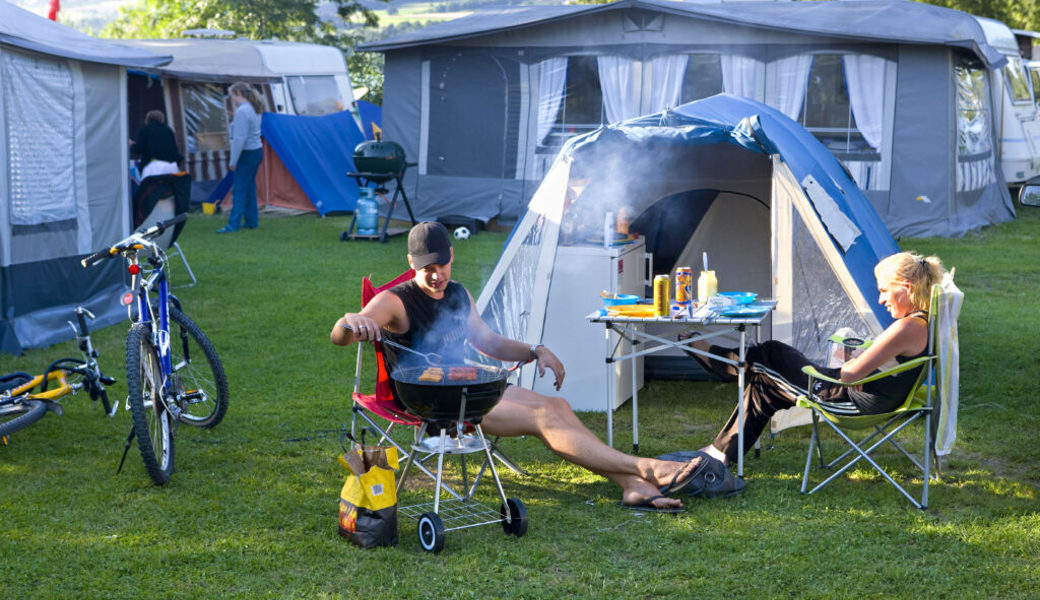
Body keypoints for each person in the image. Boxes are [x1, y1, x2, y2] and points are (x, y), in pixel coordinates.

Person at [330, 222, 745, 512]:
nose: (435, 274)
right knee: (545, 417)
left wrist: (535, 350)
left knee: (558, 408)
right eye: (426, 266)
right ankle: (647, 469)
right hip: (432, 402)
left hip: (470, 384)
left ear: (451, 256)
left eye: (441, 264)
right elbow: (342, 333)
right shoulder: (396, 300)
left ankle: (632, 485)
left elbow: (487, 342)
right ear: (411, 261)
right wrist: (352, 322)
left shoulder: (457, 293)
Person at [683, 251, 945, 467]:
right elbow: (867, 367)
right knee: (766, 385)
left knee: (771, 354)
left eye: (885, 291)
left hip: (850, 402)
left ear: (906, 288)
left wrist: (857, 368)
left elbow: (849, 375)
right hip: (857, 394)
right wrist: (861, 367)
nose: (881, 299)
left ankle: (713, 358)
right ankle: (721, 454)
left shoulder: (908, 328)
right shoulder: (922, 322)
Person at [217, 82, 264, 233]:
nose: (232, 99)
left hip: (246, 153)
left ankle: (233, 224)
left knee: (239, 190)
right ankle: (251, 221)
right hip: (256, 151)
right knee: (249, 188)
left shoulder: (242, 111)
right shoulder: (253, 108)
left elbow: (239, 139)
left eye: (233, 96)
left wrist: (233, 160)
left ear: (239, 94)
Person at [132, 110, 183, 180]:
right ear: (162, 119)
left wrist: (132, 145)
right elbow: (174, 149)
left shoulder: (144, 130)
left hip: (150, 168)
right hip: (169, 168)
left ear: (147, 119)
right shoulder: (168, 130)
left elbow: (138, 149)